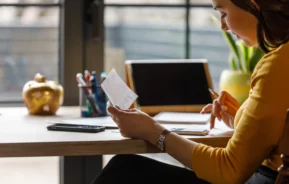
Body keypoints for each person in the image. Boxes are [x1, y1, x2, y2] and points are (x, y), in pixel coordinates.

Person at [91, 0, 289, 183]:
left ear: (252, 4)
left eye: (223, 12)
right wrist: (242, 119)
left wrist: (152, 131)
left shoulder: (277, 65)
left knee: (124, 170)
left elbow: (229, 169)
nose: (223, 25)